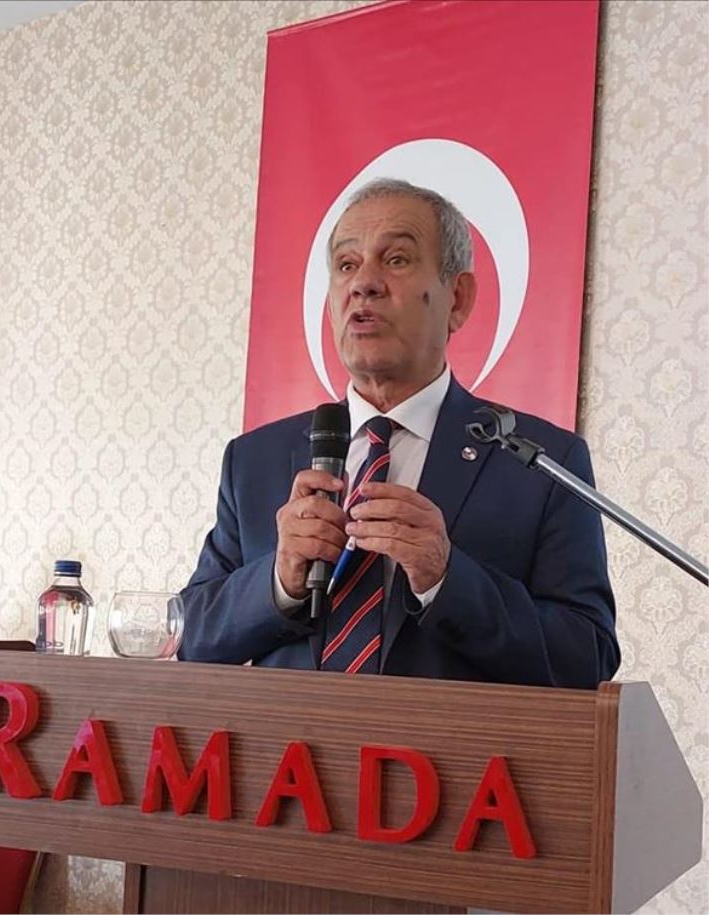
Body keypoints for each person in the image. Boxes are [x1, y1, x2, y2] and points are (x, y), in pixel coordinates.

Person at [179, 177, 619, 688]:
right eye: (346, 265)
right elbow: (191, 636)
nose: (364, 284)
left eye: (396, 259)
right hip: (290, 743)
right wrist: (279, 580)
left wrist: (446, 577)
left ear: (457, 299)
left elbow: (587, 657)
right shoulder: (255, 459)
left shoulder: (542, 462)